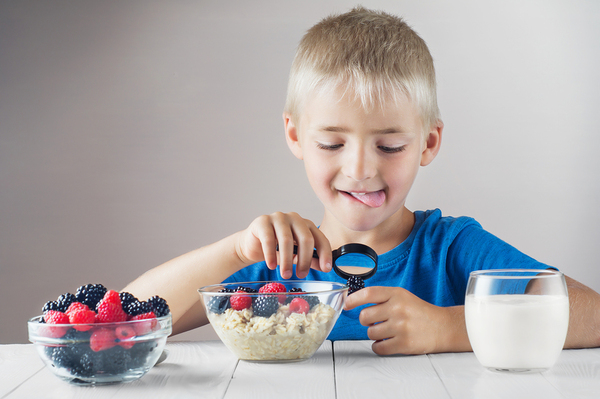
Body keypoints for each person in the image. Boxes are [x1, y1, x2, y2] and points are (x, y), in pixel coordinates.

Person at [123, 6, 600, 355]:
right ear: (295, 134)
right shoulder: (278, 263)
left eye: (389, 146)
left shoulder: (450, 248)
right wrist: (237, 252)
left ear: (428, 143)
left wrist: (451, 328)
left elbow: (589, 312)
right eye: (332, 144)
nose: (360, 170)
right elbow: (127, 316)